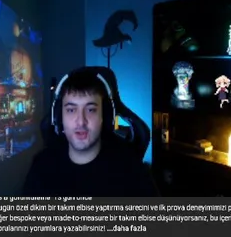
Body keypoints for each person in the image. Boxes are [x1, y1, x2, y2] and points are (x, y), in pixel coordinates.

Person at [22, 68, 158, 197]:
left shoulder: (133, 172)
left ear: (105, 117)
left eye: (91, 110)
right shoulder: (42, 167)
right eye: (71, 110)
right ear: (58, 117)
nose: (81, 122)